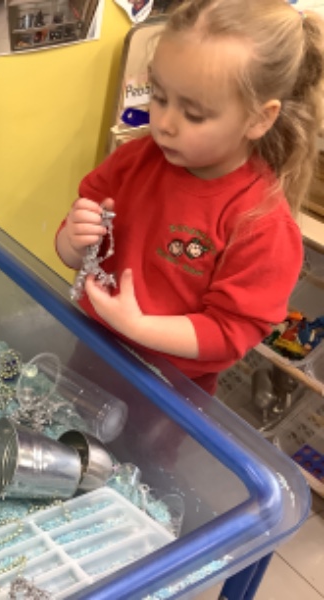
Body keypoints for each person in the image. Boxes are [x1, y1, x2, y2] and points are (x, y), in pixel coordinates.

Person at [55, 0, 323, 394]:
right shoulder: (134, 160)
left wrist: (139, 328)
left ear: (259, 118)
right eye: (159, 96)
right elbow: (73, 252)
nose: (164, 124)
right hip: (93, 347)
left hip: (168, 390)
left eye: (194, 114)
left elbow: (230, 332)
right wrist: (72, 240)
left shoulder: (261, 223)